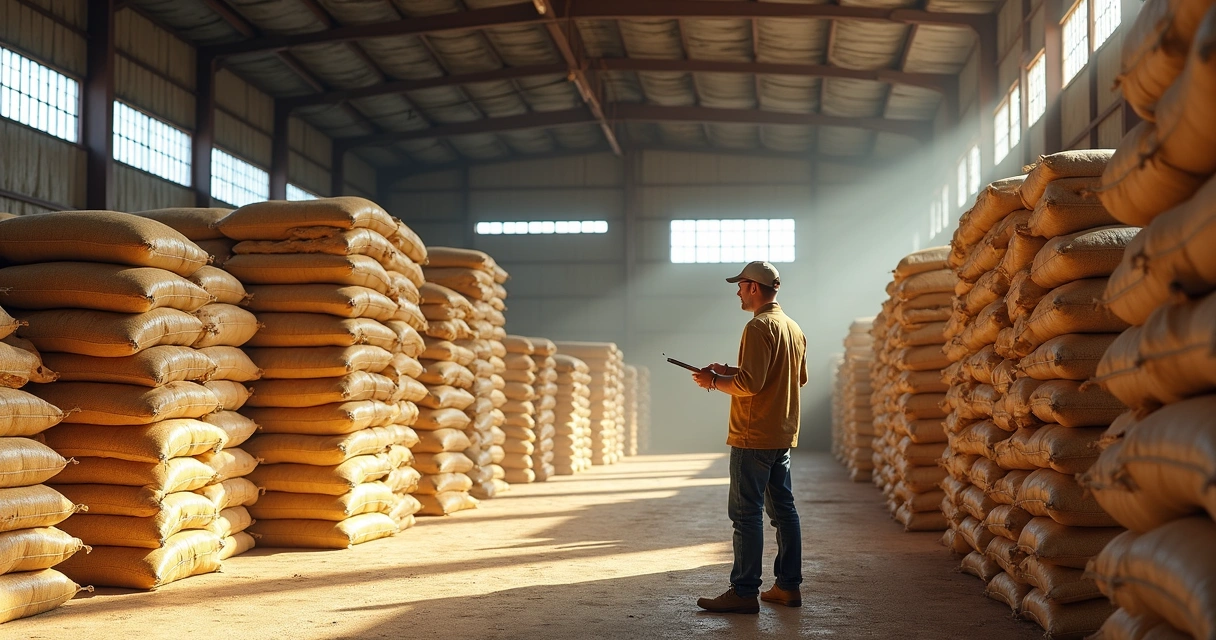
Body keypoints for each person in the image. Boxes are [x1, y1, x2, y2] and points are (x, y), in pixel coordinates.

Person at [690, 260, 808, 614]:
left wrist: (714, 381)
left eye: (740, 286)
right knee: (784, 512)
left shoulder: (757, 327)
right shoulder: (792, 327)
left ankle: (743, 592)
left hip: (752, 434)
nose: (738, 293)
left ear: (754, 287)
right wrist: (730, 370)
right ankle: (788, 586)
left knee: (746, 515)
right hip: (781, 433)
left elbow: (750, 385)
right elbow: (795, 378)